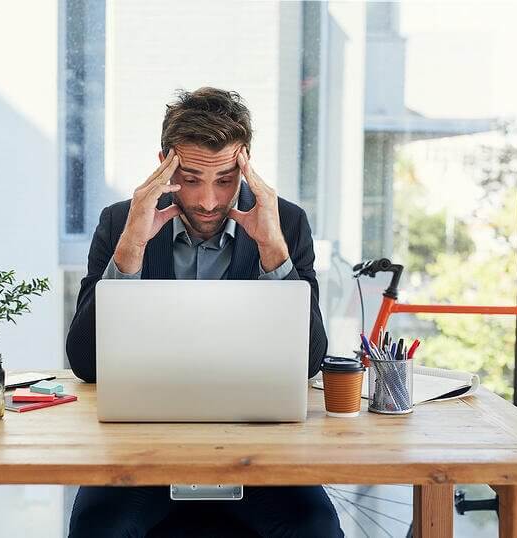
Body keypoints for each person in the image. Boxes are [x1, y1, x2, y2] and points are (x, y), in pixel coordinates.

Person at [66, 87, 341, 537]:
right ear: (163, 165)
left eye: (226, 179)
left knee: (315, 529)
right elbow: (85, 362)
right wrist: (132, 246)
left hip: (260, 452)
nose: (209, 201)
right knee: (98, 529)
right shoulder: (121, 221)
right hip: (142, 451)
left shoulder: (284, 222)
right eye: (190, 179)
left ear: (245, 165)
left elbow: (309, 362)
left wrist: (272, 249)